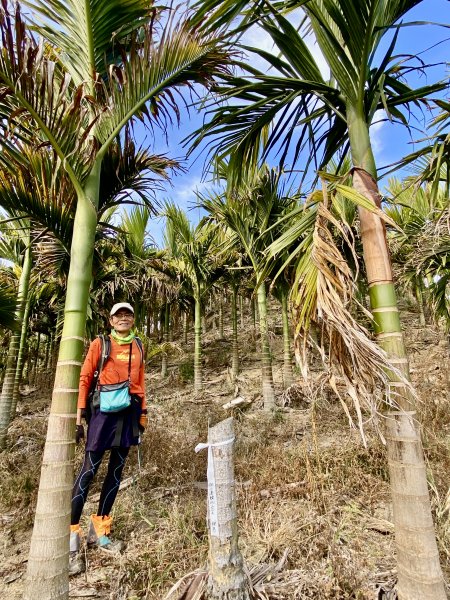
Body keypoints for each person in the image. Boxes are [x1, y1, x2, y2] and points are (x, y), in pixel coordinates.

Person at [69, 302, 147, 575]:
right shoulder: (99, 344)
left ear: (133, 319)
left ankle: (101, 530)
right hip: (102, 412)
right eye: (119, 315)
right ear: (111, 320)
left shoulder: (138, 345)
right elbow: (83, 378)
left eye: (128, 314)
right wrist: (79, 418)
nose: (124, 318)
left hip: (129, 412)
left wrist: (143, 414)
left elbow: (141, 382)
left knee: (116, 470)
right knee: (89, 470)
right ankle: (72, 536)